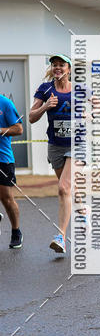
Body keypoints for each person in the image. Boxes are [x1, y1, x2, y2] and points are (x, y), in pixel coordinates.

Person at [29, 54, 75, 254]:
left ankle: (61, 237)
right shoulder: (45, 89)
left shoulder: (79, 90)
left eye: (61, 65)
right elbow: (31, 117)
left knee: (64, 188)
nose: (57, 67)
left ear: (69, 69)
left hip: (76, 144)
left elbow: (97, 108)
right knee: (66, 190)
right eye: (54, 65)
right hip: (55, 145)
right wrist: (46, 106)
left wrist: (90, 114)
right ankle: (82, 208)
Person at [0, 93, 24, 248]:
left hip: (2, 159)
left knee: (7, 199)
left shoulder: (5, 103)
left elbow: (19, 129)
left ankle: (16, 231)